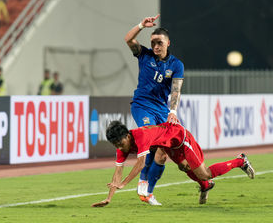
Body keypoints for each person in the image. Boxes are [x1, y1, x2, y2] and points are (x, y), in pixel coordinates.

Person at [92, 121, 255, 207]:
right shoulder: (121, 147)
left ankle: (240, 161)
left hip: (182, 139)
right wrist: (109, 198)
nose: (119, 148)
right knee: (184, 167)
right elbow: (117, 172)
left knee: (204, 173)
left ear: (127, 136)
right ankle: (205, 186)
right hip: (168, 145)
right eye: (115, 145)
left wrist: (124, 184)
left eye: (120, 143)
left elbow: (141, 163)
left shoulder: (141, 136)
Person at [124, 14, 185, 205]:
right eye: (153, 43)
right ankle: (143, 179)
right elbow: (128, 39)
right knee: (150, 137)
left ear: (168, 43)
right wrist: (142, 25)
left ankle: (148, 193)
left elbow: (175, 91)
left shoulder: (176, 65)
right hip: (142, 105)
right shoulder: (144, 55)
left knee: (163, 152)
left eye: (159, 42)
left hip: (161, 109)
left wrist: (172, 111)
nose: (155, 46)